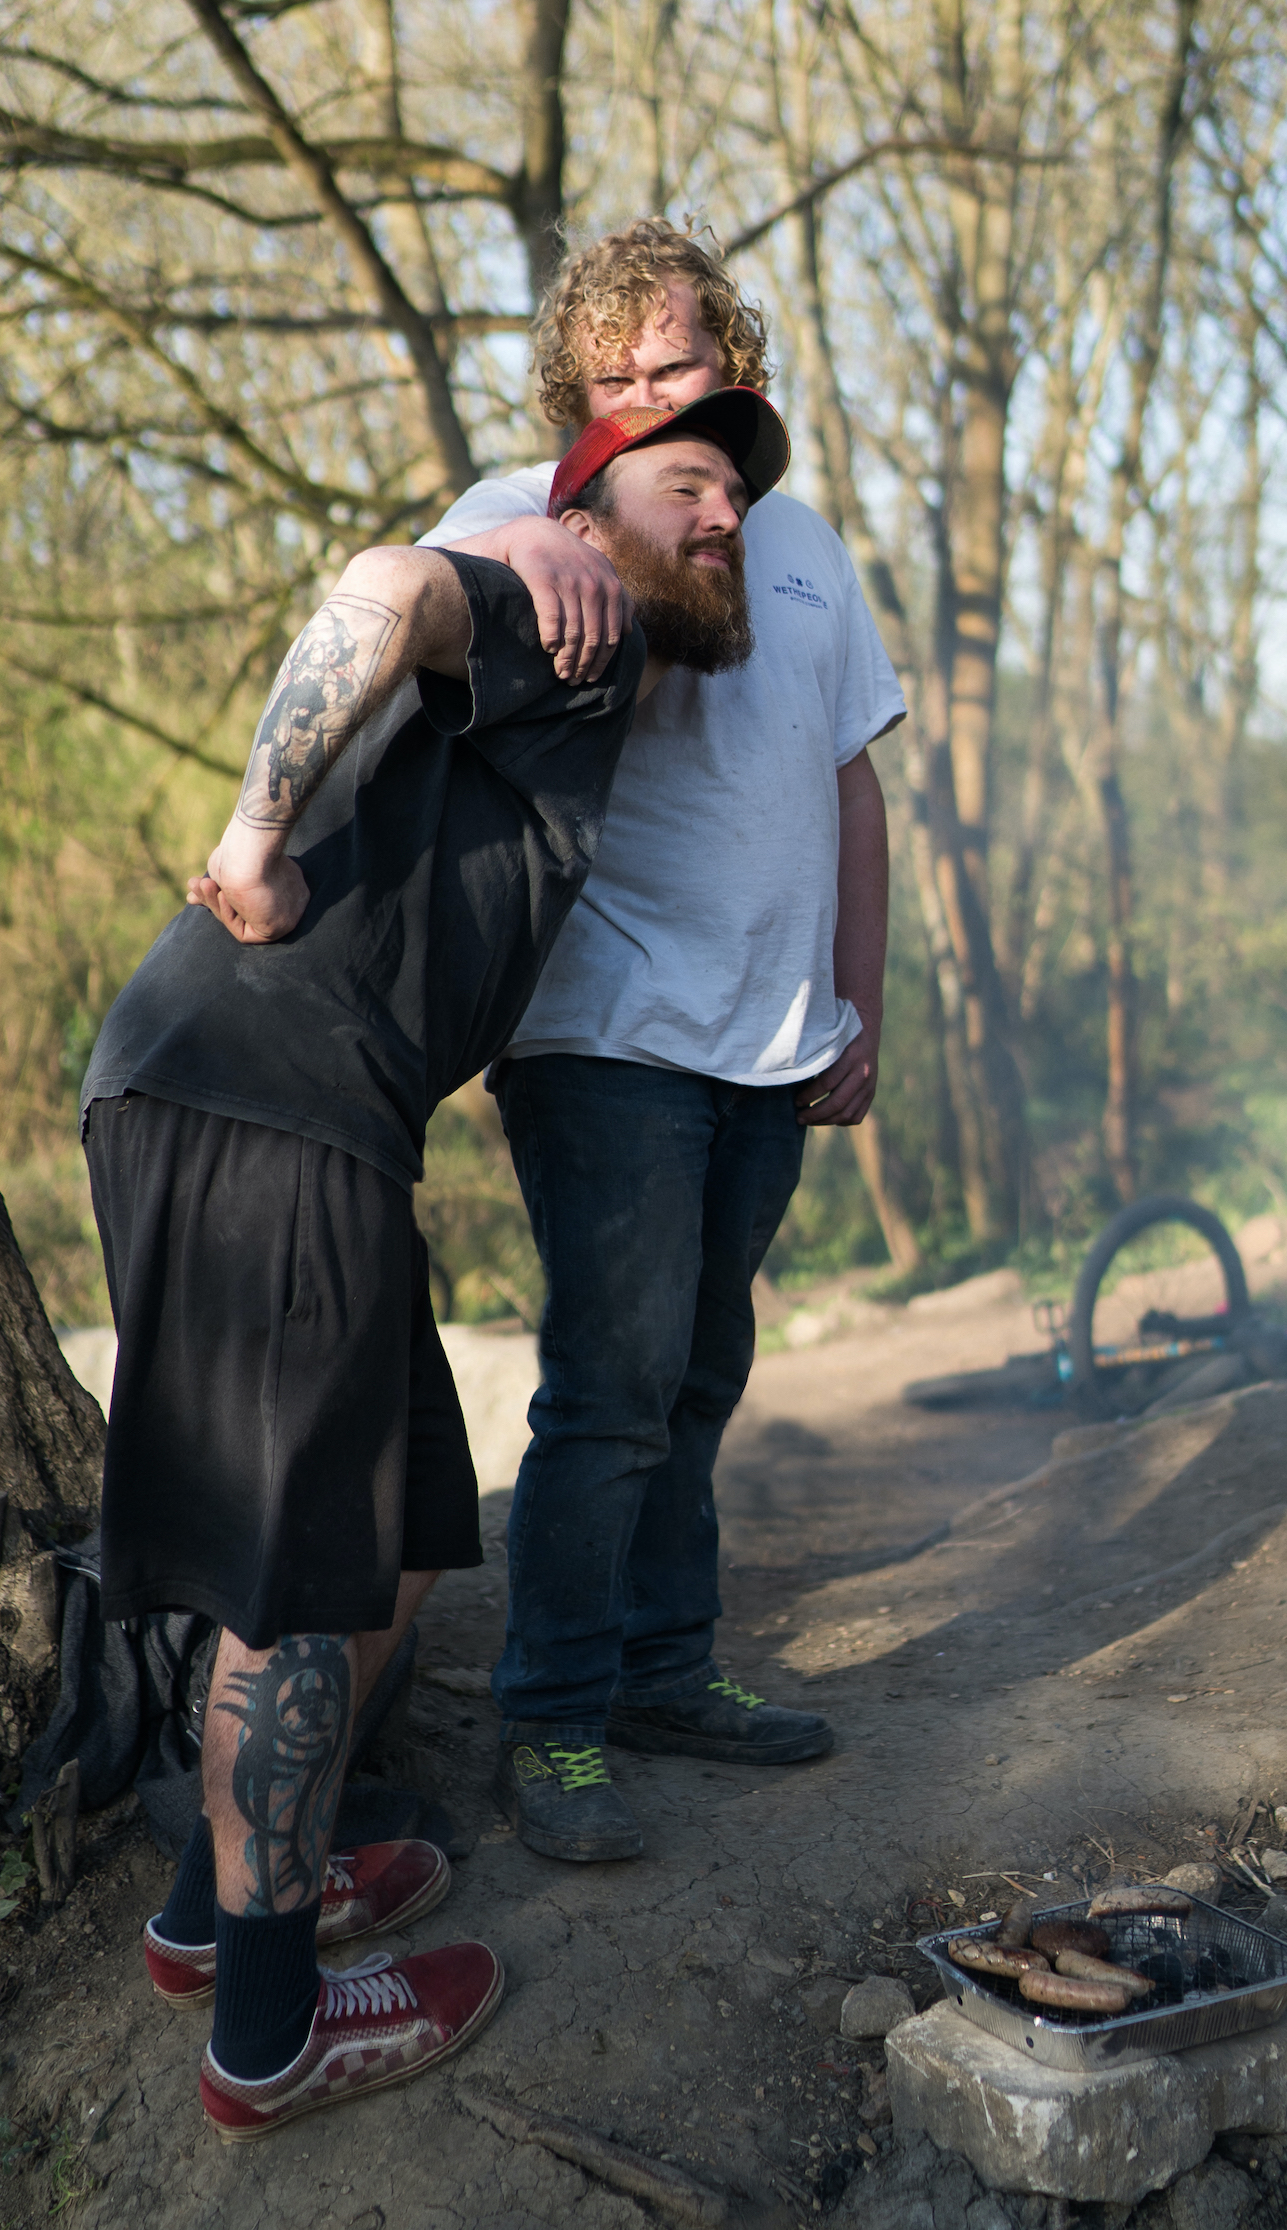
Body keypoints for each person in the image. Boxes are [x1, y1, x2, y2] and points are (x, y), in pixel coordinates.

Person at [77, 384, 790, 2140]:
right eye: (689, 483)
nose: (723, 520)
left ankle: (209, 1905)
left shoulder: (583, 631)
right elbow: (389, 591)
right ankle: (269, 2030)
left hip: (295, 1109)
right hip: (275, 1106)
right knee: (296, 1583)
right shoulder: (574, 606)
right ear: (591, 504)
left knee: (399, 1513)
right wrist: (252, 826)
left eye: (739, 503)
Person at [418, 220, 905, 1864]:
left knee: (699, 1377)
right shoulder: (529, 506)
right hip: (604, 1029)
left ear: (735, 369)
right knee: (613, 1387)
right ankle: (551, 1721)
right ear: (576, 396)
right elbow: (436, 584)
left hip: (773, 1037)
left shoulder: (812, 547)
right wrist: (541, 548)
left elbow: (852, 783)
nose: (642, 394)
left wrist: (863, 1001)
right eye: (610, 374)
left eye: (673, 366)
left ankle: (666, 1670)